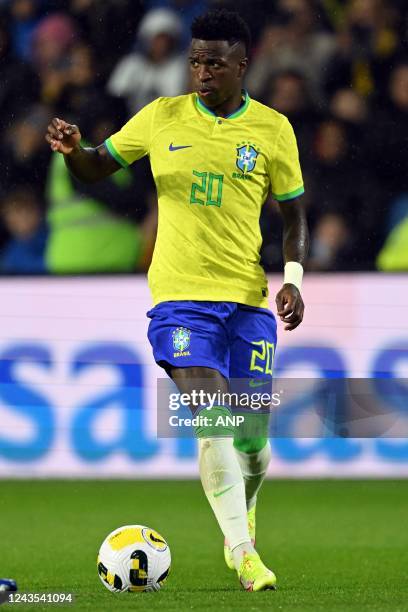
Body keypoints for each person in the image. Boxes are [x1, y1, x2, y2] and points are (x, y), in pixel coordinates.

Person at [45, 9, 308, 592]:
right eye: (195, 61)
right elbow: (97, 168)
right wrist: (74, 151)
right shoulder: (161, 116)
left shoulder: (273, 129)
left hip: (246, 302)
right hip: (179, 302)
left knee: (253, 442)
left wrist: (292, 276)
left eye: (214, 61)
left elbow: (293, 214)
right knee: (211, 417)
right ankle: (244, 554)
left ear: (243, 64)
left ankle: (246, 504)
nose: (201, 71)